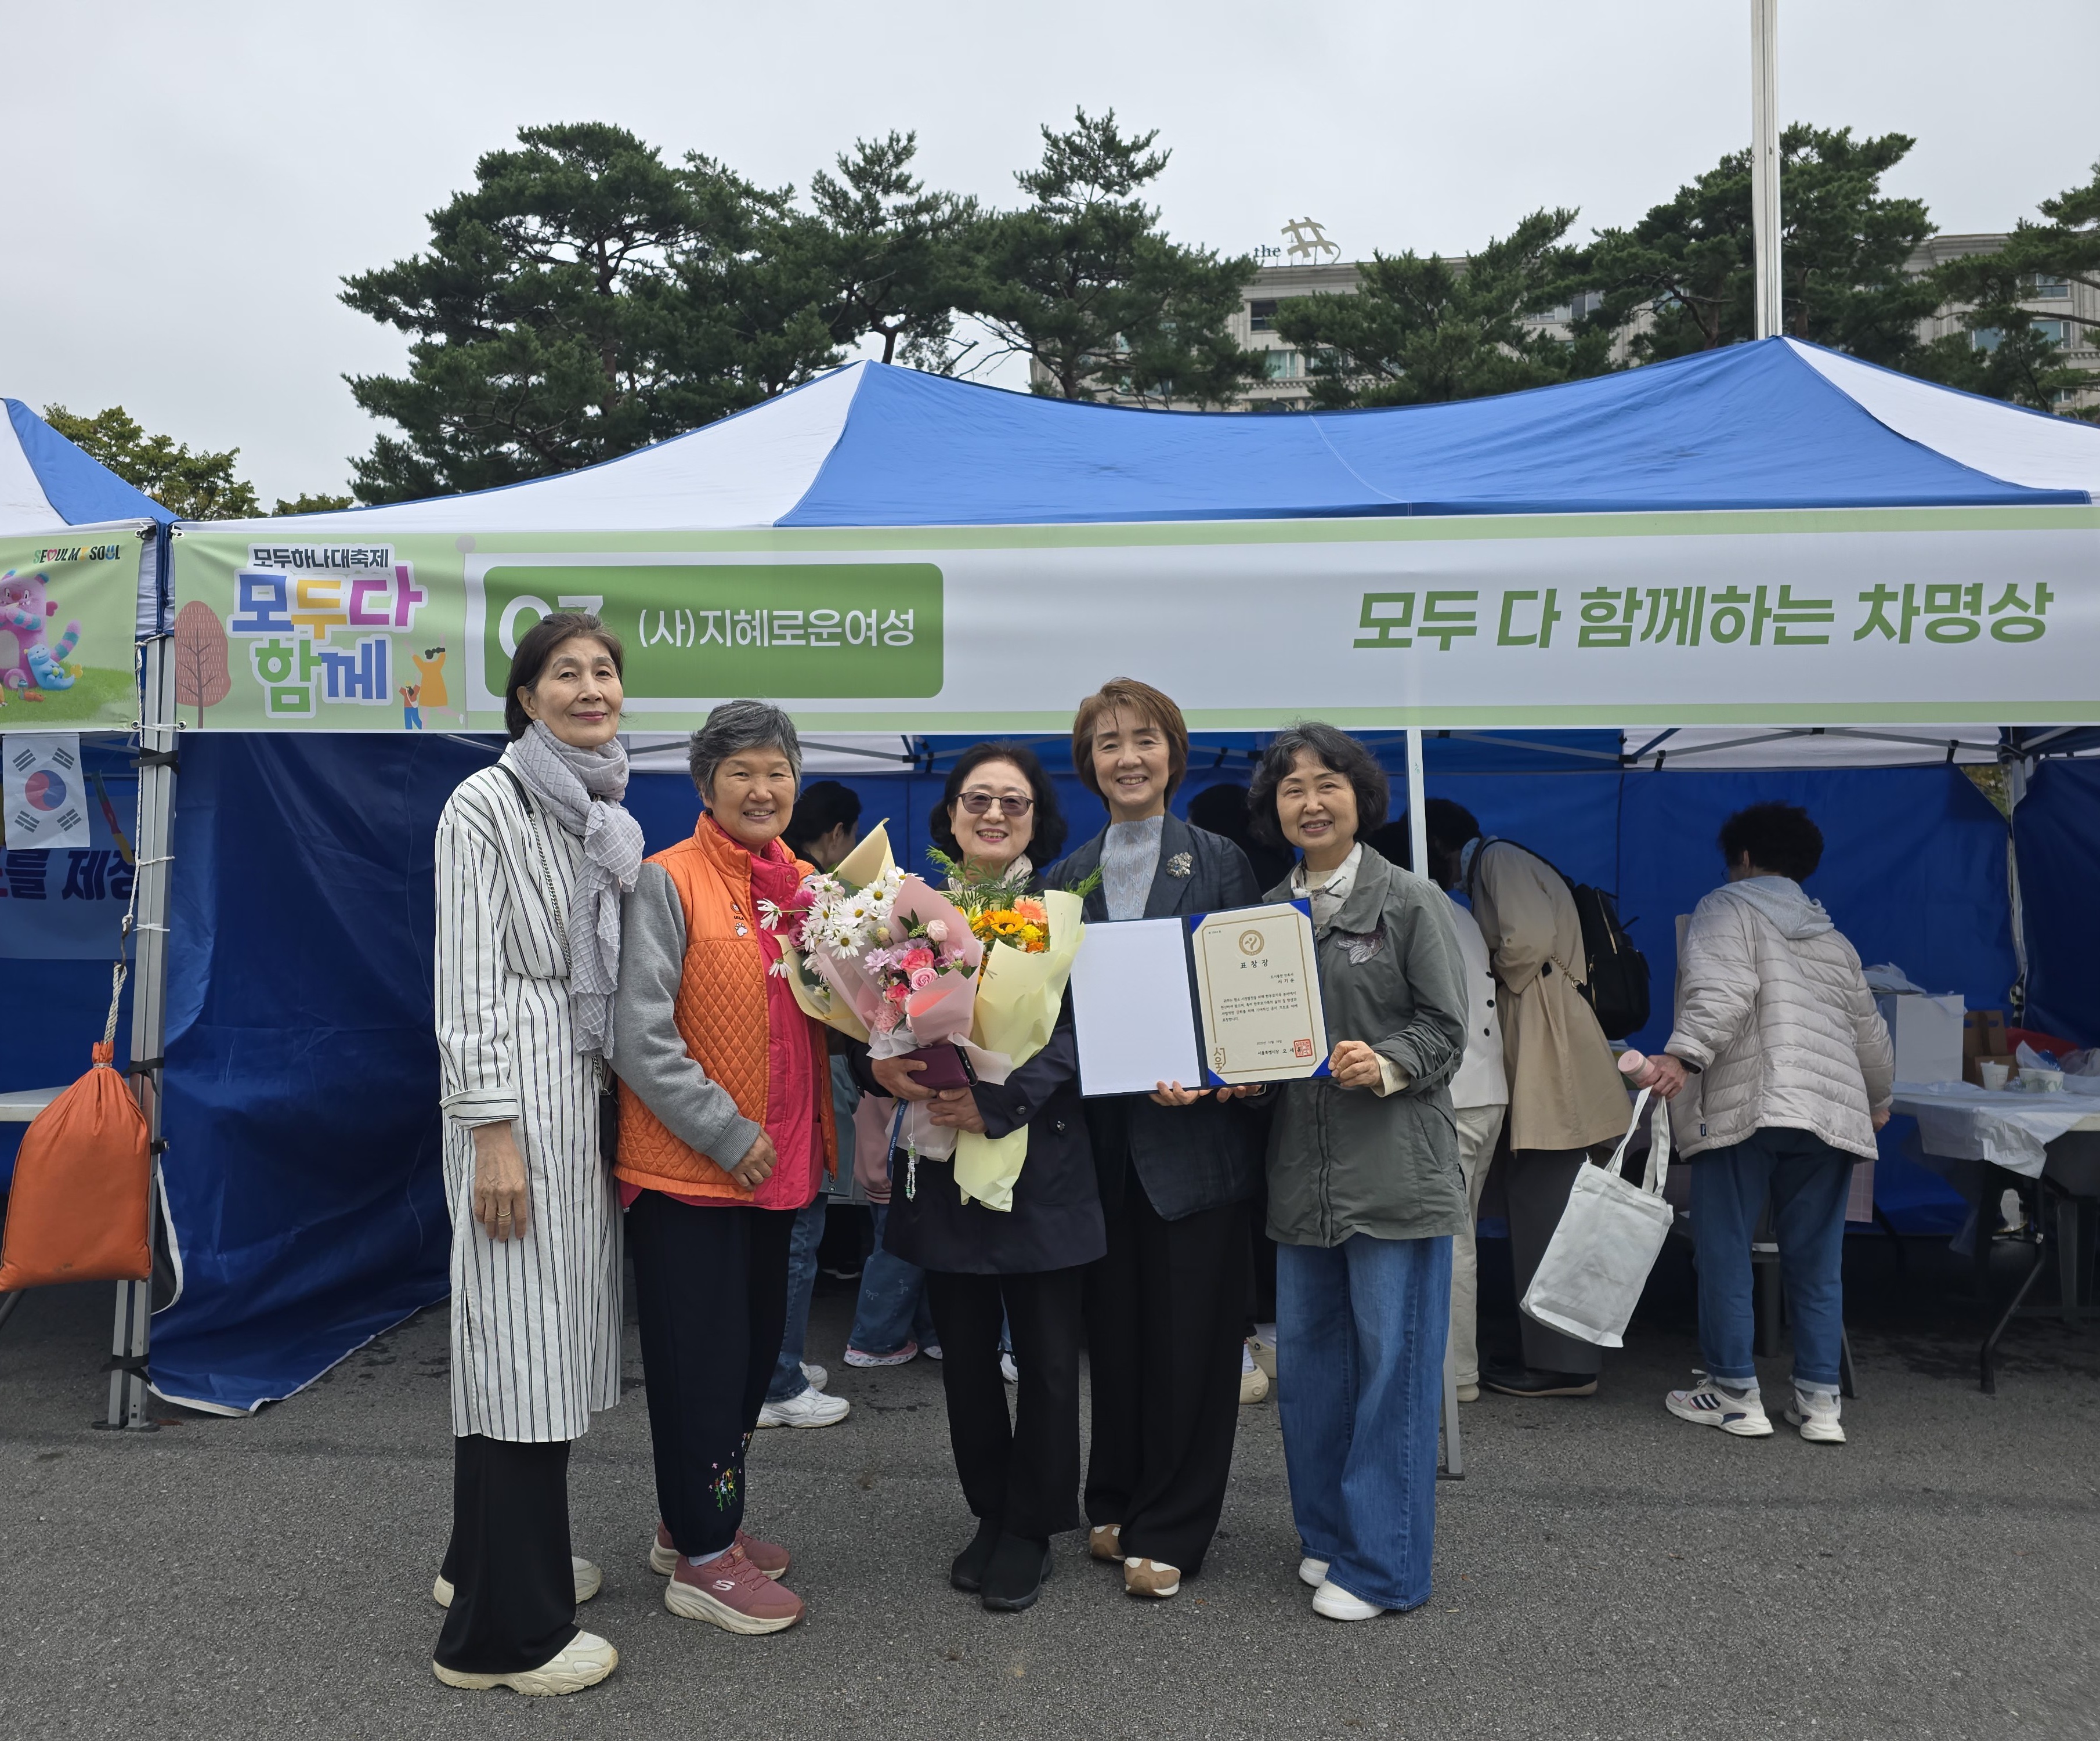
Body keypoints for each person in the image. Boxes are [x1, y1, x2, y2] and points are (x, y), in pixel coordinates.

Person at [428, 611, 637, 1695]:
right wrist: (493, 1136)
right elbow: (465, 984)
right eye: (566, 673)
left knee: (538, 1345)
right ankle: (501, 1640)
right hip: (511, 1112)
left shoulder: (599, 810)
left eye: (604, 671)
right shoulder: (485, 802)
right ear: (525, 698)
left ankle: (482, 1564)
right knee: (517, 1349)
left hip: (572, 1097)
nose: (590, 688)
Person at [859, 741, 1102, 1613]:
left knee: (1044, 1359)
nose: (994, 814)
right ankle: (989, 1510)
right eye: (977, 799)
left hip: (1038, 1159)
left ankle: (1032, 1527)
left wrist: (998, 1102)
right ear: (951, 815)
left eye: (1013, 802)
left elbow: (1080, 1034)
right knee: (962, 1358)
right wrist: (879, 1066)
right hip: (939, 1156)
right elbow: (869, 1018)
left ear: (1037, 820)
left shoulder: (1062, 914)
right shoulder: (907, 914)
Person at [612, 700, 836, 1636]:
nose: (761, 787)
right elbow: (636, 1033)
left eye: (776, 770)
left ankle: (694, 1523)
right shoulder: (667, 881)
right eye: (740, 771)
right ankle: (705, 1561)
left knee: (747, 1364)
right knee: (699, 1369)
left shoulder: (809, 888)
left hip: (779, 1169)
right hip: (691, 1175)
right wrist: (722, 1131)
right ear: (706, 785)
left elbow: (837, 1013)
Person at [1047, 679, 1264, 1601]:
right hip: (1100, 1154)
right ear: (1087, 763)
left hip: (1194, 1148)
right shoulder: (1065, 875)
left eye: (1143, 739)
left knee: (1191, 1350)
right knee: (1118, 1338)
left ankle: (1172, 1525)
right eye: (1107, 743)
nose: (1126, 757)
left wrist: (1222, 1074)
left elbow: (1252, 1001)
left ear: (1172, 753)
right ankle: (1116, 1495)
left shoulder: (1218, 860)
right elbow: (1053, 1016)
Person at [1249, 725, 1469, 1621]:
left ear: (1359, 797)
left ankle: (1383, 1567)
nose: (1309, 802)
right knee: (1309, 1372)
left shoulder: (1409, 900)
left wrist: (1384, 1061)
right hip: (1301, 1177)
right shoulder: (1264, 916)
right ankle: (1330, 1536)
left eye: (1326, 784)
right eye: (1291, 788)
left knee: (1392, 1375)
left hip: (1394, 1176)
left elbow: (1446, 1030)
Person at [1629, 803, 1893, 1444]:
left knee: (1725, 1251)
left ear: (1743, 859)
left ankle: (1733, 1394)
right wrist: (1878, 1098)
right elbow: (1870, 1034)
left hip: (1748, 1102)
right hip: (1827, 1112)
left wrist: (1682, 1055)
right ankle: (1820, 1403)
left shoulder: (1725, 908)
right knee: (1816, 1260)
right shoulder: (1833, 939)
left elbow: (1721, 992)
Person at [1431, 804, 1629, 1399]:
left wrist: (1479, 970)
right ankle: (1552, 1355)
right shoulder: (1503, 860)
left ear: (1440, 846)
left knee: (1547, 1210)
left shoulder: (1497, 860)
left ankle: (1562, 1364)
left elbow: (1527, 942)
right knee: (1543, 1203)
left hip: (1551, 1045)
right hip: (1551, 1040)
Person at [1385, 803, 1510, 1404]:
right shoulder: (1459, 914)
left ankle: (1454, 1373)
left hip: (1449, 1097)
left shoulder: (1411, 910)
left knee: (1445, 1242)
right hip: (1483, 1092)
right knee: (1457, 1236)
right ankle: (1453, 1370)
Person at [754, 782, 869, 1428]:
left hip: (789, 1093)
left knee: (790, 1237)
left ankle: (778, 1363)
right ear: (836, 834)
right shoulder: (813, 900)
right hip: (792, 1093)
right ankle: (778, 1381)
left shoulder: (782, 890)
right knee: (796, 1239)